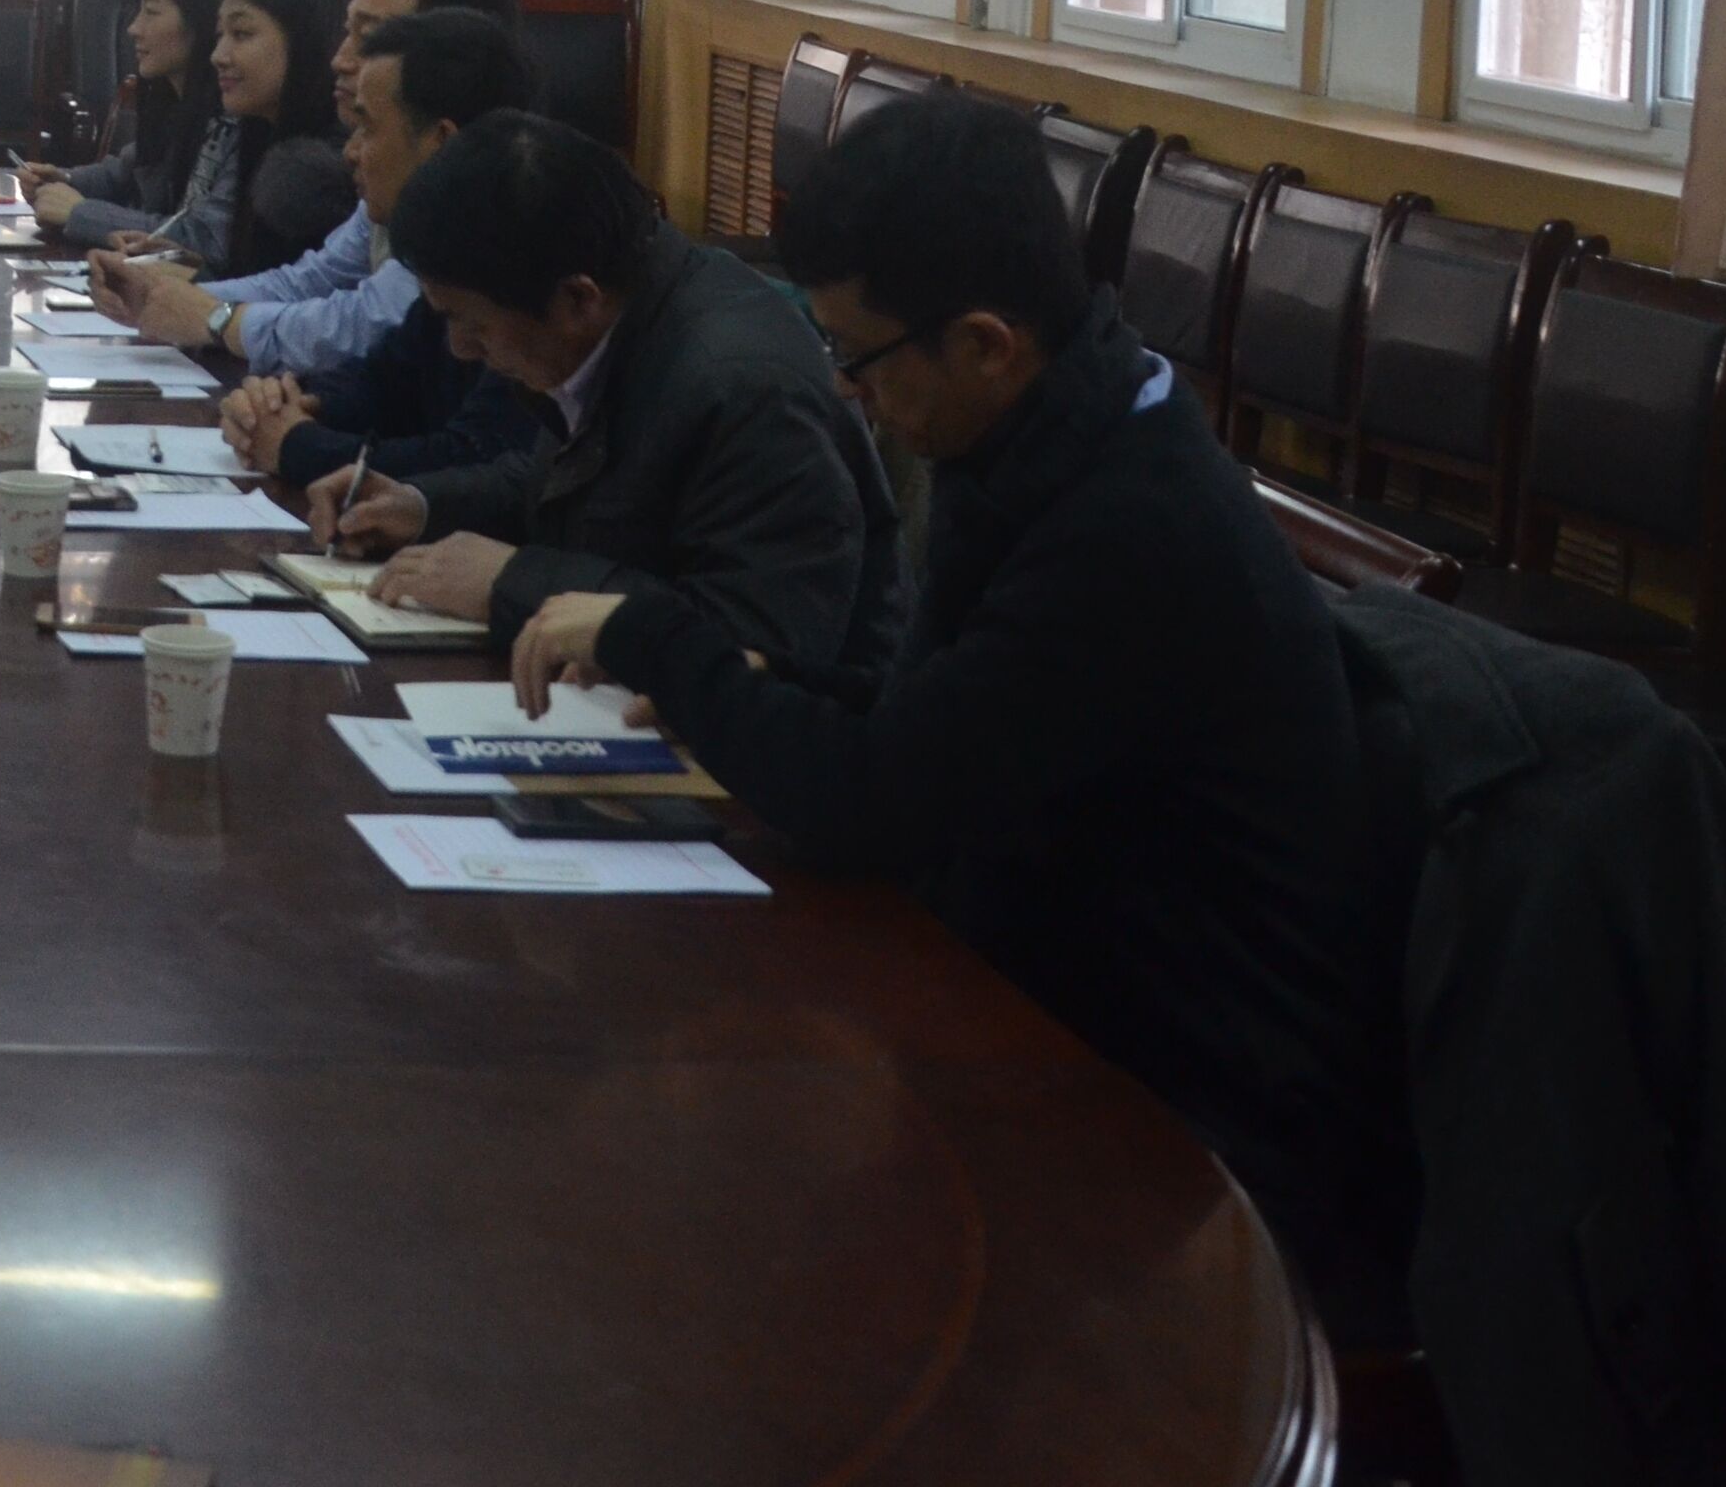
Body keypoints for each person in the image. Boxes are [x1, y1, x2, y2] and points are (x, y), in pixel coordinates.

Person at [505, 94, 1405, 1332]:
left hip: (1181, 1124)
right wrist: (752, 686)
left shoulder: (1126, 527)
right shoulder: (1053, 428)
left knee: (717, 1241)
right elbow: (935, 724)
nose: (850, 396)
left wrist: (656, 634)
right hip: (1048, 1001)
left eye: (857, 359)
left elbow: (873, 805)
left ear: (984, 343)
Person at [314, 111, 901, 674]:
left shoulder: (745, 390)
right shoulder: (622, 310)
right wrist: (422, 506)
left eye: (473, 324)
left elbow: (757, 641)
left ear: (577, 298)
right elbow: (569, 489)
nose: (460, 348)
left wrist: (511, 582)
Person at [92, 0, 513, 380]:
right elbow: (310, 280)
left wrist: (218, 319)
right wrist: (160, 292)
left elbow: (369, 321)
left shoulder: (495, 190)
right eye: (347, 32)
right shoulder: (386, 167)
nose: (340, 58)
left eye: (371, 38)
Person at [213, 5, 553, 494]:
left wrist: (294, 445)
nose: (350, 151)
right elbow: (382, 382)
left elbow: (478, 453)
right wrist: (291, 404)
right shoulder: (443, 240)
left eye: (367, 128)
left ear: (440, 144)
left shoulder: (522, 251)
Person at [33, 0, 345, 276]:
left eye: (241, 34)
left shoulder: (318, 162)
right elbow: (134, 170)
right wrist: (181, 272)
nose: (218, 55)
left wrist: (81, 213)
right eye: (221, 35)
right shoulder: (250, 122)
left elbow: (226, 251)